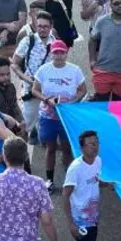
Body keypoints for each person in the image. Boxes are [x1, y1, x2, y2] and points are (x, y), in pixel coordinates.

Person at [33, 40, 88, 190]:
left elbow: (83, 89)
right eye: (55, 52)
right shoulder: (44, 70)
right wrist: (46, 99)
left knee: (67, 149)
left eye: (61, 52)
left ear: (66, 53)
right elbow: (35, 90)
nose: (58, 56)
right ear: (51, 53)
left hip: (66, 117)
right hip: (48, 117)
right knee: (50, 149)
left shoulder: (74, 70)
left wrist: (73, 101)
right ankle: (49, 180)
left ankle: (70, 180)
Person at [63, 130, 107, 241]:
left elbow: (96, 180)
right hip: (81, 222)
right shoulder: (75, 169)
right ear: (82, 148)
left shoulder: (97, 161)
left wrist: (107, 184)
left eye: (97, 143)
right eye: (91, 144)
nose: (95, 147)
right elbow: (65, 197)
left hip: (93, 218)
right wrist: (71, 224)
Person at [12, 10, 54, 152]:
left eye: (45, 26)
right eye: (40, 26)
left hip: (48, 90)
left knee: (47, 118)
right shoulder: (28, 41)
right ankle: (18, 151)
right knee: (26, 122)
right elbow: (15, 63)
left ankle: (43, 138)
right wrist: (24, 78)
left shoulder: (55, 44)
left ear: (51, 27)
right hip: (30, 89)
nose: (42, 29)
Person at [0, 57, 23, 126]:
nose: (6, 77)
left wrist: (21, 121)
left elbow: (14, 106)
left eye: (8, 74)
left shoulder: (11, 87)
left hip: (11, 124)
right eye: (2, 75)